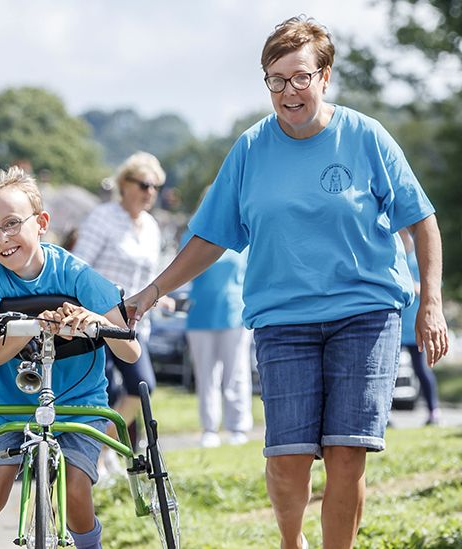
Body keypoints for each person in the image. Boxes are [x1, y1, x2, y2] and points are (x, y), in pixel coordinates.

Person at [124, 16, 449, 549]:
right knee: (287, 457)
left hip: (365, 314)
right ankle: (290, 540)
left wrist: (430, 303)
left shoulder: (366, 137)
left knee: (347, 454)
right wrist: (151, 292)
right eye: (275, 79)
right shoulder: (252, 149)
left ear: (324, 76)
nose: (288, 91)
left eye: (299, 77)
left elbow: (423, 220)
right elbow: (211, 236)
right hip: (283, 319)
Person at [0, 167, 139, 549]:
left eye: (11, 224)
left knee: (76, 492)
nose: (2, 237)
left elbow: (130, 349)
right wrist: (33, 326)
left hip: (79, 405)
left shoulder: (77, 274)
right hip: (10, 406)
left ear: (41, 223)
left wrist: (95, 319)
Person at [71, 151, 170, 459]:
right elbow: (79, 266)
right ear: (124, 185)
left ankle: (99, 450)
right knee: (105, 392)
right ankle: (97, 458)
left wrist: (159, 295)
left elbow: (151, 275)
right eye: (144, 184)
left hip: (135, 324)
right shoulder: (103, 217)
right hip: (99, 318)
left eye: (156, 186)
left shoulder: (152, 226)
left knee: (141, 389)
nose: (150, 192)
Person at [180, 228, 252, 448]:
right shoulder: (192, 235)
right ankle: (209, 428)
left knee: (236, 372)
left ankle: (238, 426)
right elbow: (182, 270)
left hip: (234, 312)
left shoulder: (245, 237)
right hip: (200, 314)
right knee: (206, 375)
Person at [398, 229, 442, 426]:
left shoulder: (417, 257)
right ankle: (386, 417)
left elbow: (431, 285)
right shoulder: (393, 251)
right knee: (387, 373)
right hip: (395, 325)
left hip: (414, 325)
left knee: (421, 370)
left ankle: (434, 412)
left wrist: (411, 285)